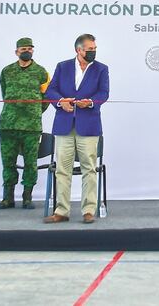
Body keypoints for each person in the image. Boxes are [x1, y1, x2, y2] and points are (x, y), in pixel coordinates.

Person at [43, 33, 109, 224]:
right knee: (62, 170)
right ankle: (61, 211)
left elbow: (103, 93)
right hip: (64, 125)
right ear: (78, 50)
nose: (93, 52)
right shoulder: (62, 66)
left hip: (88, 126)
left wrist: (89, 103)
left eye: (95, 49)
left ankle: (88, 210)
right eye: (90, 49)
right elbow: (50, 90)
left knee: (89, 169)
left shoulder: (101, 69)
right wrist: (60, 102)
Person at [0, 37, 50, 210]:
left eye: (29, 48)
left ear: (33, 51)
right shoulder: (7, 71)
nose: (27, 51)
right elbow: (4, 92)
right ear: (16, 52)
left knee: (30, 162)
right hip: (8, 124)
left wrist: (34, 113)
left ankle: (27, 197)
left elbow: (47, 97)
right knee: (8, 162)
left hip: (31, 126)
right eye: (23, 49)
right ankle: (8, 198)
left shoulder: (41, 72)